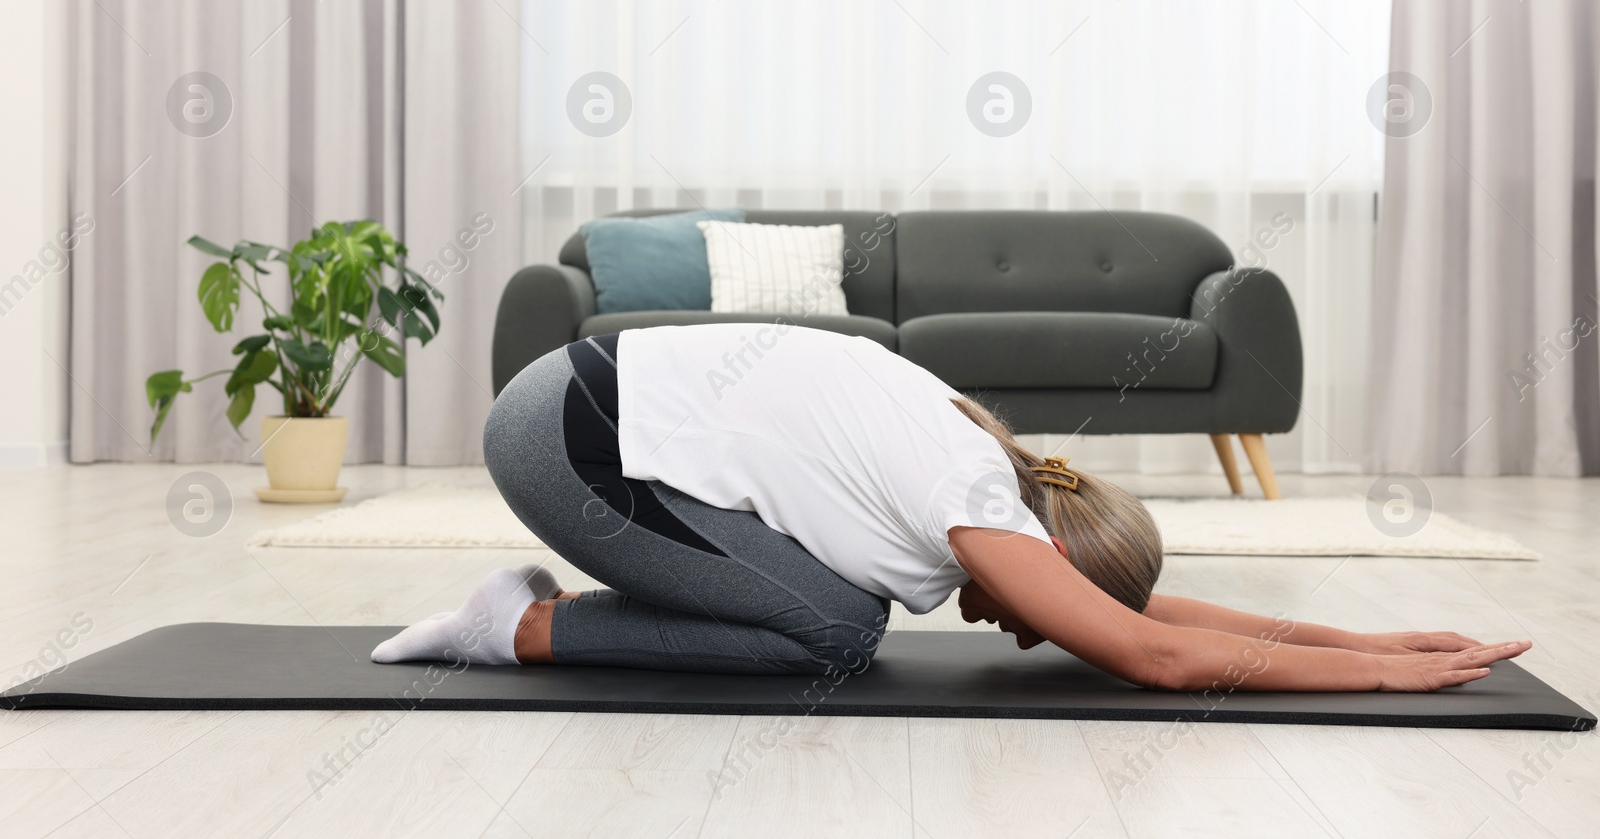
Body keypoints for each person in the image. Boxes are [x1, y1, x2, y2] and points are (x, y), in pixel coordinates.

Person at [373, 324, 1529, 691]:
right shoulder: (975, 497)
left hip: (588, 407)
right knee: (837, 630)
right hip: (566, 436)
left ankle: (551, 610)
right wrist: (1378, 675)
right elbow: (1151, 650)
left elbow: (1145, 609)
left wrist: (1363, 631)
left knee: (834, 612)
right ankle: (515, 625)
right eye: (1040, 613)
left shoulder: (997, 472)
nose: (1023, 628)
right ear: (1050, 555)